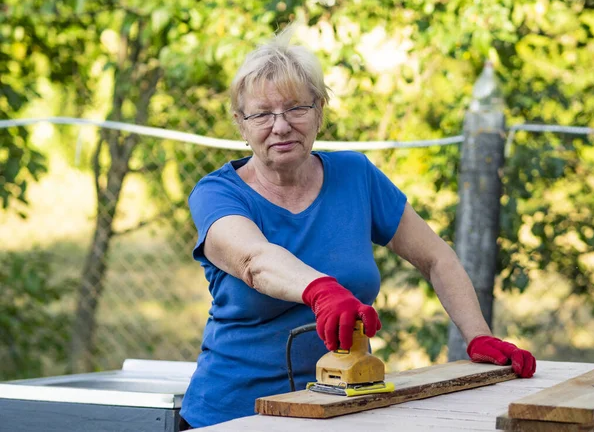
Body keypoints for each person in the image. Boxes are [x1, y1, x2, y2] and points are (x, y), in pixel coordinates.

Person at [178, 25, 536, 429]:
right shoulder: (217, 193)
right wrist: (322, 291)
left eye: (297, 108)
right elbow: (254, 260)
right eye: (261, 114)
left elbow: (436, 257)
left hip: (338, 412)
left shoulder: (355, 175)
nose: (280, 126)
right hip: (233, 416)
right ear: (241, 124)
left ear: (320, 111)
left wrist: (478, 336)